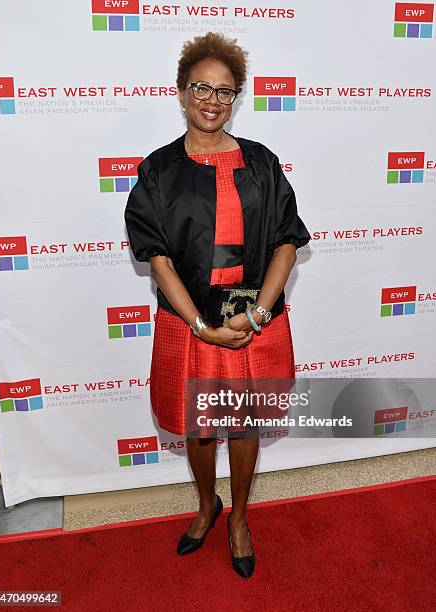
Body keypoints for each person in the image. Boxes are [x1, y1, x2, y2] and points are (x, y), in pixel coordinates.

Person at [124, 32, 311, 578]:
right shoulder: (157, 170)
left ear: (237, 98)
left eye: (225, 91)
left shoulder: (262, 162)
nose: (212, 100)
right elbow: (156, 257)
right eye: (201, 88)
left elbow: (285, 241)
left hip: (255, 322)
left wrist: (255, 315)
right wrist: (203, 325)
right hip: (190, 324)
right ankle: (208, 506)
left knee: (244, 423)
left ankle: (240, 518)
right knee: (202, 428)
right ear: (181, 93)